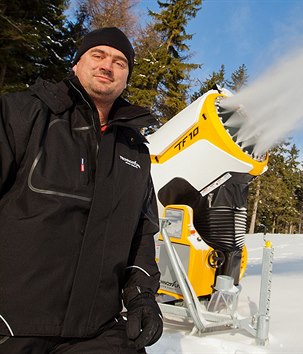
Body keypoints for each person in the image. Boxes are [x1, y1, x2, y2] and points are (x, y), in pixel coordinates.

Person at [0, 27, 163, 353]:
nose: (107, 66)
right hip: (12, 324)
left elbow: (141, 236)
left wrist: (141, 295)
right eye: (98, 55)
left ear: (127, 76)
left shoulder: (134, 150)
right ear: (76, 64)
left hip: (95, 329)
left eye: (120, 62)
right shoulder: (23, 114)